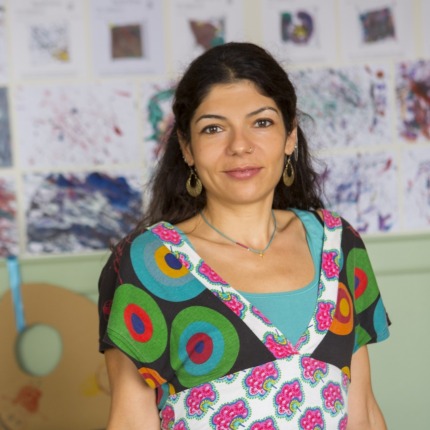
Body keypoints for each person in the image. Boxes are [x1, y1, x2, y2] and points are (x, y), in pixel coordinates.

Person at [98, 42, 390, 429]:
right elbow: (130, 421)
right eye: (214, 128)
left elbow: (363, 411)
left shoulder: (339, 245)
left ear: (290, 135)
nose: (239, 146)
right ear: (187, 147)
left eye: (262, 122)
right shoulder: (149, 265)